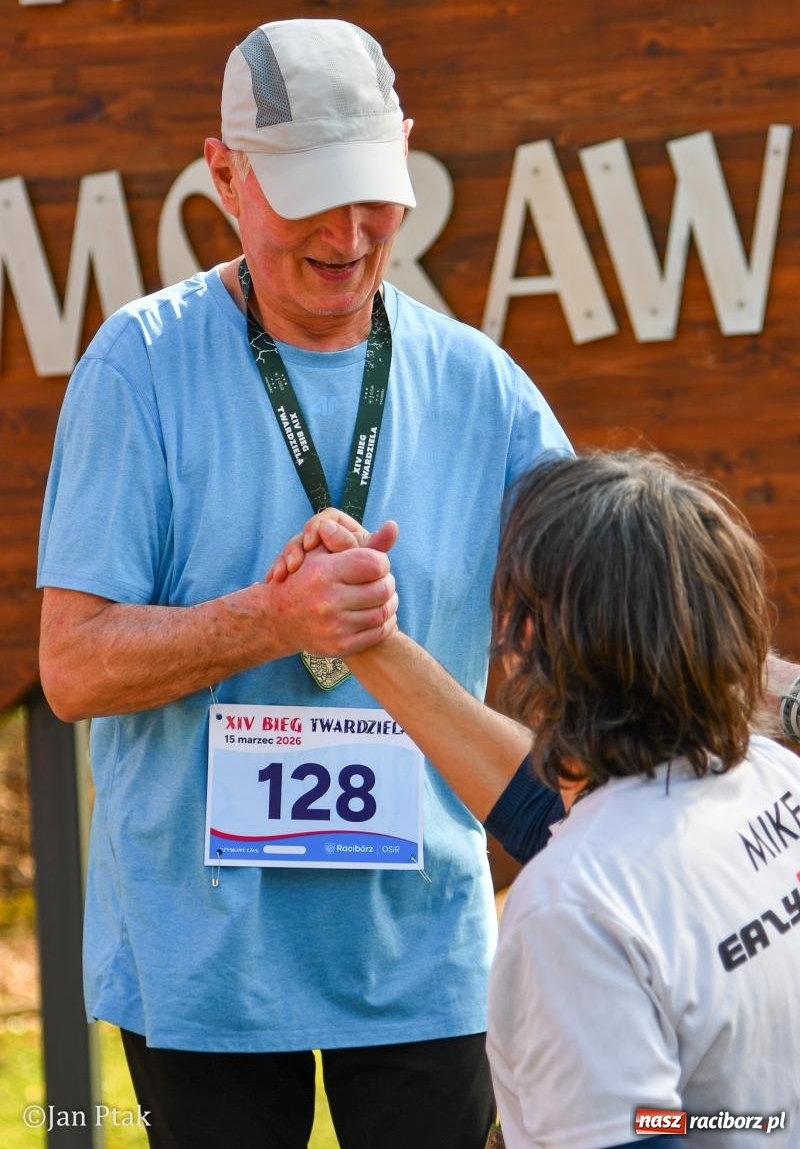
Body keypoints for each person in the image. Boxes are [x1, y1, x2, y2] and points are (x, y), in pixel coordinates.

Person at [36, 17, 572, 1149]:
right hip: (201, 961)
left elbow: (615, 596)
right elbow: (72, 668)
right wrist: (270, 619)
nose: (345, 233)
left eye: (370, 194)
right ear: (223, 176)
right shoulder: (136, 369)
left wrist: (764, 699)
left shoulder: (480, 385)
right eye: (308, 196)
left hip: (419, 948)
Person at [271, 451, 800, 1148]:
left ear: (527, 643)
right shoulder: (769, 777)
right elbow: (555, 813)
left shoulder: (573, 909)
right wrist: (363, 636)